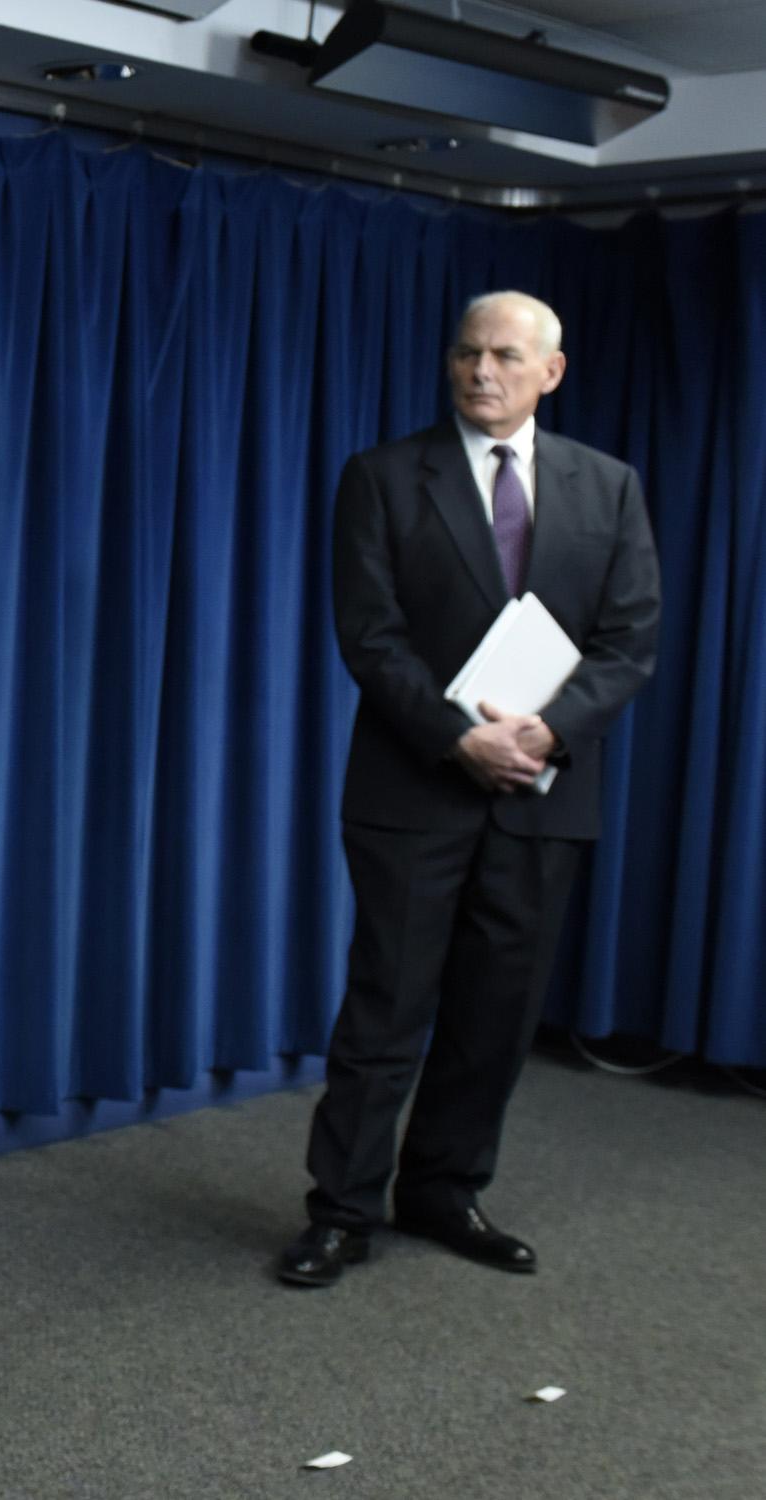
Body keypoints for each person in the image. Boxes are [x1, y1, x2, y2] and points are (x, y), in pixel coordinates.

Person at [280, 291, 659, 1288]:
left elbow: (629, 645)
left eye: (502, 356)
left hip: (546, 791)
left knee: (498, 1011)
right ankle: (343, 1209)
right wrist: (461, 740)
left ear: (550, 371)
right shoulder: (382, 477)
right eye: (465, 354)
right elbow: (370, 635)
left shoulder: (608, 487)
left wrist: (547, 731)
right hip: (413, 791)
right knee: (387, 1007)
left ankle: (444, 1190)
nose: (480, 371)